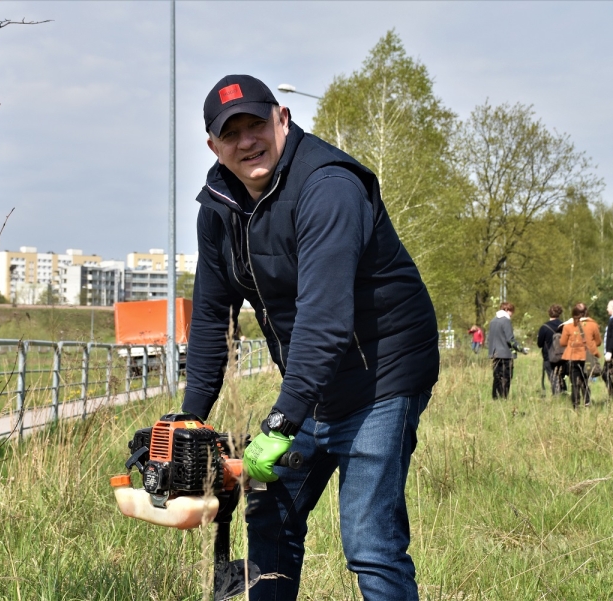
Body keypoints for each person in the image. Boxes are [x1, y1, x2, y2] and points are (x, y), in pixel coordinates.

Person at [180, 74, 440, 601]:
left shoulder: (329, 186)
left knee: (369, 540)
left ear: (282, 119)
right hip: (314, 380)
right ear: (213, 146)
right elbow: (210, 316)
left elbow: (325, 317)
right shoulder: (218, 208)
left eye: (256, 124)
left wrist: (282, 419)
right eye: (231, 134)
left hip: (381, 375)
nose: (247, 141)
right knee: (267, 514)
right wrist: (190, 418)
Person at [559, 303, 602, 408]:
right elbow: (598, 342)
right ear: (586, 312)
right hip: (587, 357)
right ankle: (587, 402)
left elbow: (562, 342)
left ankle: (576, 405)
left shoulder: (568, 325)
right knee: (585, 381)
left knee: (574, 383)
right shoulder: (593, 325)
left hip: (573, 357)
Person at [487, 302, 527, 399]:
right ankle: (503, 398)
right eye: (511, 311)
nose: (512, 314)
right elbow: (510, 339)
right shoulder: (506, 321)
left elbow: (489, 338)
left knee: (497, 377)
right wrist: (521, 349)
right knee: (506, 377)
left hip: (495, 354)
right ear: (506, 310)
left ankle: (495, 398)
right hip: (505, 354)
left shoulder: (493, 321)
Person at [537, 304, 565, 394]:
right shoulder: (564, 326)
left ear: (549, 313)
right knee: (561, 376)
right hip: (563, 356)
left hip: (548, 356)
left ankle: (557, 396)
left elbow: (539, 344)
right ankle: (563, 393)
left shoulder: (544, 327)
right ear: (560, 313)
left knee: (553, 378)